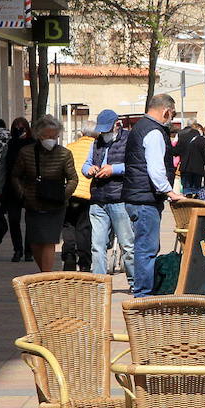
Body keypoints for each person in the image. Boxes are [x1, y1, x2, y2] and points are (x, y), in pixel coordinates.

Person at [124, 94, 185, 298]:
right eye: (172, 114)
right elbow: (156, 168)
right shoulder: (154, 132)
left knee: (144, 246)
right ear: (166, 111)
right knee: (147, 248)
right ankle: (143, 295)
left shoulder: (139, 127)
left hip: (137, 197)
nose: (172, 118)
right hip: (145, 199)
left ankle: (143, 291)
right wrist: (169, 191)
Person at [10, 115, 77, 273]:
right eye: (47, 136)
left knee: (49, 240)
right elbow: (16, 175)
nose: (51, 140)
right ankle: (44, 273)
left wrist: (63, 195)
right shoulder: (26, 153)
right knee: (34, 242)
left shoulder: (64, 154)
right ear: (38, 135)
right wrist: (23, 193)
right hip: (33, 203)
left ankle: (46, 276)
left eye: (54, 136)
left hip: (55, 206)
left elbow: (73, 179)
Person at [85, 109, 136, 290]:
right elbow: (86, 164)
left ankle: (135, 282)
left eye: (107, 129)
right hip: (98, 199)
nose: (104, 133)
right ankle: (100, 284)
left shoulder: (129, 140)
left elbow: (134, 165)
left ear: (116, 125)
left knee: (127, 244)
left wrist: (113, 169)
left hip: (119, 199)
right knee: (97, 245)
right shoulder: (96, 143)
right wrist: (89, 169)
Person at [60, 125, 97, 272]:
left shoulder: (70, 147)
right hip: (87, 194)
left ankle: (69, 256)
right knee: (84, 228)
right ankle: (84, 262)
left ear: (82, 133)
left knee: (68, 225)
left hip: (70, 192)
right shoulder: (96, 148)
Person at [0, 117, 34, 262]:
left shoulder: (33, 144)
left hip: (30, 187)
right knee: (13, 220)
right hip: (11, 187)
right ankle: (18, 249)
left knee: (31, 221)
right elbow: (2, 167)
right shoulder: (10, 145)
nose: (19, 130)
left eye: (22, 127)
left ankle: (29, 251)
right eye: (16, 127)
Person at [175, 123, 205, 192]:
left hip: (185, 168)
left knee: (186, 189)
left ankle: (186, 197)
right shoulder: (201, 139)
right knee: (196, 190)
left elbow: (176, 151)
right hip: (197, 169)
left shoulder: (182, 137)